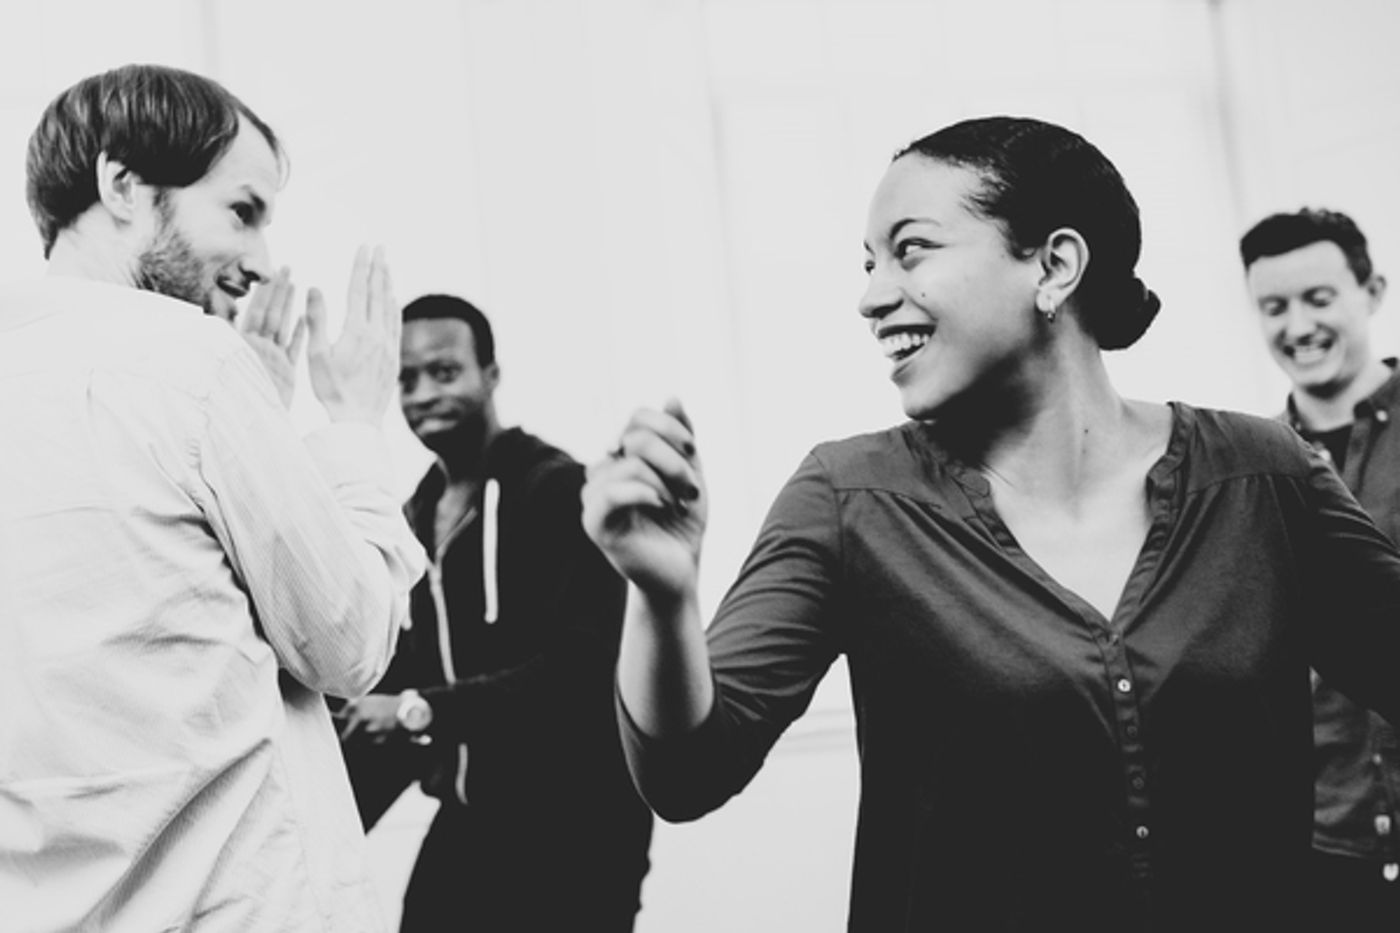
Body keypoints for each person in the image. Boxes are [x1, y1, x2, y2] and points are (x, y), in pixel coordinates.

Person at [582, 116, 1400, 931]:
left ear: (1053, 265)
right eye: (869, 264)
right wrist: (661, 596)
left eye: (911, 249)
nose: (870, 297)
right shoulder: (848, 496)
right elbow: (686, 774)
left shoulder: (1263, 475)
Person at [0, 64, 425, 932]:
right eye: (242, 210)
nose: (262, 262)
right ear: (122, 183)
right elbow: (348, 644)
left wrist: (255, 418)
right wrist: (350, 429)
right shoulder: (192, 365)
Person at [337, 293, 653, 932]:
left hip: (580, 824)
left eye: (444, 371)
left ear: (491, 375)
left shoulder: (561, 490)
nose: (423, 392)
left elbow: (583, 670)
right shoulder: (414, 518)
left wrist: (415, 710)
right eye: (405, 378)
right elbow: (406, 675)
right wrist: (329, 831)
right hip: (474, 813)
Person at [1240, 207, 1400, 925]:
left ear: (1373, 291)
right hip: (1321, 849)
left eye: (1319, 297)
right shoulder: (1249, 470)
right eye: (1274, 306)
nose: (1297, 325)